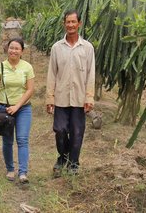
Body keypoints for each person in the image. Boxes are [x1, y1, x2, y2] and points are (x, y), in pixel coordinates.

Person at [46, 10, 95, 176]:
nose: (71, 25)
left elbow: (91, 74)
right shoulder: (57, 48)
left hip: (79, 98)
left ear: (79, 24)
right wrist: (49, 98)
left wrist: (89, 97)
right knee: (59, 130)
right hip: (61, 98)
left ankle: (73, 163)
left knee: (77, 132)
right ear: (64, 24)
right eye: (68, 22)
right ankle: (62, 156)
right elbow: (52, 73)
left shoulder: (87, 48)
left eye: (74, 22)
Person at [0, 38, 35, 183]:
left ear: (22, 51)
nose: (13, 50)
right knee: (7, 141)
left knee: (22, 139)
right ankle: (10, 169)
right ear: (7, 49)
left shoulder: (27, 67)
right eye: (11, 48)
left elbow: (30, 89)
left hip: (23, 108)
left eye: (17, 48)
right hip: (4, 108)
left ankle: (23, 172)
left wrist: (17, 106)